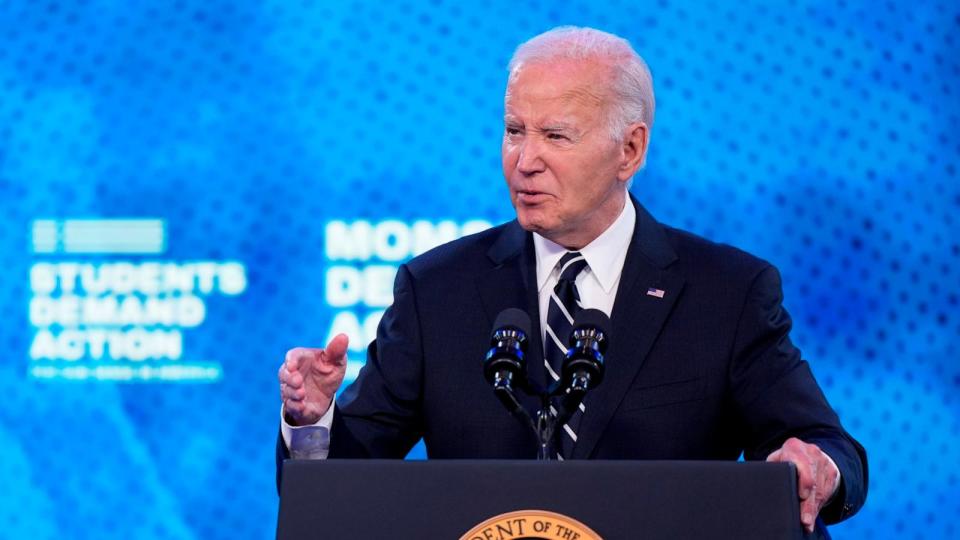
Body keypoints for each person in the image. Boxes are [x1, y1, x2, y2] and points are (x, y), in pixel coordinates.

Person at [276, 26, 867, 535]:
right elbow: (341, 487)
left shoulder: (727, 293)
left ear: (629, 151)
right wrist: (312, 421)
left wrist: (818, 467)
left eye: (555, 136)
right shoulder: (437, 291)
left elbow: (828, 448)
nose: (525, 159)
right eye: (514, 130)